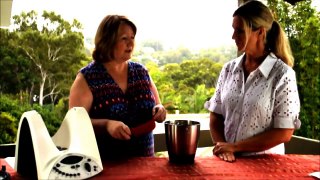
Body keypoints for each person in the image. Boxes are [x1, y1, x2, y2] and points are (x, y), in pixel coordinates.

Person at [204, 0, 301, 162]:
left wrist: (236, 147)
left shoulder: (282, 75)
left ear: (260, 32)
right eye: (233, 30)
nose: (233, 36)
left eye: (240, 31)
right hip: (228, 162)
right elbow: (216, 115)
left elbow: (284, 131)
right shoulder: (228, 70)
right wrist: (223, 147)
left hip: (267, 167)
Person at [69, 15, 166, 160]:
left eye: (132, 37)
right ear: (108, 40)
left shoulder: (142, 72)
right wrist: (107, 125)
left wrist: (159, 110)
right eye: (124, 38)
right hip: (105, 167)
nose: (130, 43)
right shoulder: (87, 78)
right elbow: (74, 123)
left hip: (146, 165)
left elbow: (158, 105)